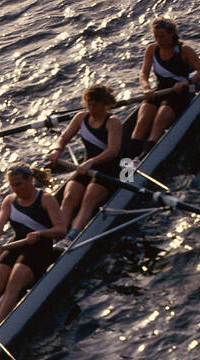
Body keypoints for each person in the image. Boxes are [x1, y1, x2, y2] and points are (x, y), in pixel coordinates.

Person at [0, 166, 67, 340]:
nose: (16, 189)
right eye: (13, 185)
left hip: (41, 247)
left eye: (19, 184)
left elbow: (61, 230)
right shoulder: (10, 201)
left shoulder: (46, 199)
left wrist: (40, 233)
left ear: (30, 180)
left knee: (14, 281)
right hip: (17, 245)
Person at [48, 85, 126, 251]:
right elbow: (63, 138)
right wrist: (56, 150)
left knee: (88, 199)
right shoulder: (80, 117)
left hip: (108, 169)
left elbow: (113, 151)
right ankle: (59, 232)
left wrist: (91, 162)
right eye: (88, 104)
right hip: (86, 166)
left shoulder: (113, 122)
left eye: (95, 105)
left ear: (104, 104)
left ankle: (72, 236)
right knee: (69, 196)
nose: (91, 108)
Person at [132, 17, 200, 150]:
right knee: (142, 122)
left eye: (162, 36)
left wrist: (187, 82)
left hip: (179, 93)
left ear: (172, 34)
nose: (159, 40)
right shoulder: (151, 49)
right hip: (159, 91)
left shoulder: (184, 50)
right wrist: (146, 88)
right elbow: (143, 74)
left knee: (158, 124)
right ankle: (129, 156)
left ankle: (146, 156)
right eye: (156, 36)